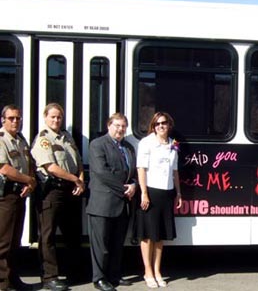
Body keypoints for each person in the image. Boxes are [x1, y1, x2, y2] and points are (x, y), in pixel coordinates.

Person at [30, 103, 85, 290]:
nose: (56, 120)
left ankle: (73, 273)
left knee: (73, 234)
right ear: (45, 117)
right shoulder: (43, 139)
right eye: (52, 117)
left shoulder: (66, 137)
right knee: (48, 236)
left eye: (59, 117)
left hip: (71, 190)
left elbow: (78, 161)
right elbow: (50, 167)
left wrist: (81, 179)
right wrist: (75, 179)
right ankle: (49, 277)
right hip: (52, 192)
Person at [87, 113, 137, 291]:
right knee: (101, 245)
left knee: (117, 244)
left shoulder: (129, 147)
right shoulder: (97, 144)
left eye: (123, 126)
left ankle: (114, 275)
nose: (120, 129)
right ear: (109, 125)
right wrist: (125, 189)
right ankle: (99, 278)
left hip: (122, 204)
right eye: (117, 125)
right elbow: (102, 172)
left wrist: (134, 185)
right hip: (103, 203)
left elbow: (133, 173)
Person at [136, 112, 182, 288]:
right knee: (148, 235)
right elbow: (141, 169)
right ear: (153, 126)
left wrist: (178, 193)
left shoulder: (173, 144)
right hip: (151, 192)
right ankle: (147, 272)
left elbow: (175, 171)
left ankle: (157, 271)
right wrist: (144, 193)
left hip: (167, 192)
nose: (160, 126)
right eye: (157, 124)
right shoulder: (146, 143)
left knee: (160, 235)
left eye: (164, 123)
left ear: (169, 125)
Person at [0, 104, 36, 291]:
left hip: (20, 195)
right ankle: (2, 284)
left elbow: (29, 163)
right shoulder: (1, 139)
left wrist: (30, 183)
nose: (15, 121)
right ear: (3, 120)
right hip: (5, 197)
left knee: (15, 241)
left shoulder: (21, 139)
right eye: (11, 118)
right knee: (3, 242)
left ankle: (13, 279)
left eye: (18, 118)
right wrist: (28, 179)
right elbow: (4, 169)